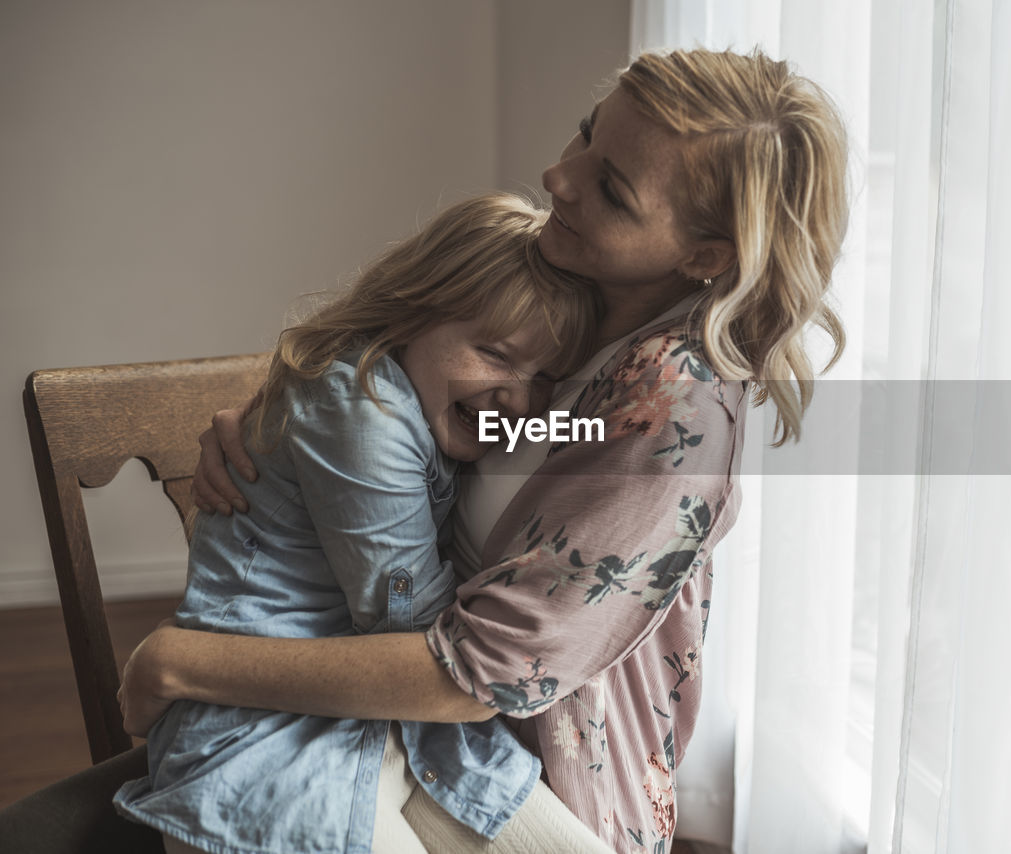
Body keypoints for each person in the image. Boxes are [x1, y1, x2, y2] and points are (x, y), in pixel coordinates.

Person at [0, 48, 849, 854]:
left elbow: (468, 676)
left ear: (705, 256)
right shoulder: (577, 307)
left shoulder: (671, 412)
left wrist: (186, 662)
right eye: (587, 131)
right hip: (349, 716)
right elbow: (447, 396)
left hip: (507, 754)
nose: (556, 176)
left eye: (614, 191)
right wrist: (293, 414)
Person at [113, 192, 609, 854]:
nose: (516, 398)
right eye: (494, 354)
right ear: (412, 313)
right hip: (263, 731)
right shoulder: (363, 407)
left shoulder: (429, 403)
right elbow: (400, 610)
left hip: (394, 721)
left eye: (544, 377)